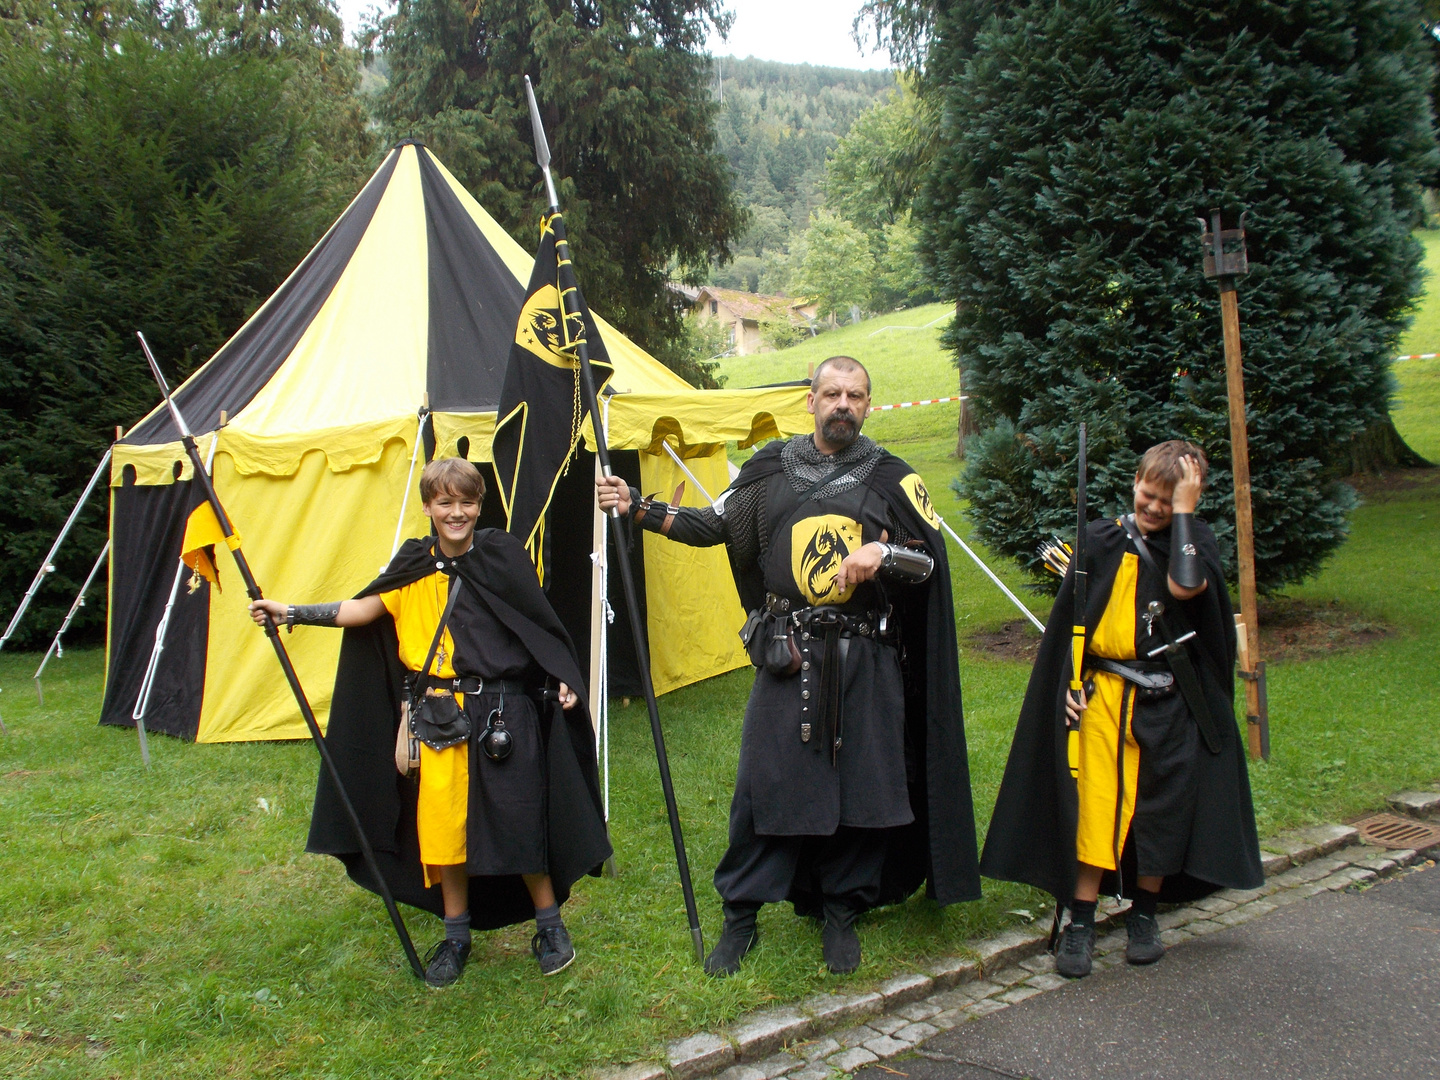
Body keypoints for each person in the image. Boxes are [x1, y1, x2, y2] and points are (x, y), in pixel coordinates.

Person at [597, 356, 980, 976]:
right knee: (764, 786)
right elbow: (713, 525)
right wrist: (638, 508)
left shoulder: (892, 478)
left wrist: (882, 552)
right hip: (790, 655)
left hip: (867, 660)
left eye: (855, 396)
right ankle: (741, 917)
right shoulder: (770, 469)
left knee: (861, 791)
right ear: (810, 400)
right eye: (832, 393)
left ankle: (840, 914)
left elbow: (928, 563)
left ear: (868, 404)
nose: (843, 405)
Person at [250, 458, 611, 987]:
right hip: (439, 717)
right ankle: (456, 934)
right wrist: (292, 612)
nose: (456, 513)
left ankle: (550, 926)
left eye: (466, 502)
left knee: (520, 823)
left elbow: (537, 624)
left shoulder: (503, 555)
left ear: (478, 506)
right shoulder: (412, 564)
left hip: (502, 715)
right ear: (428, 508)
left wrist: (561, 677)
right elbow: (361, 609)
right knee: (443, 834)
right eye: (445, 503)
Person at [980, 440, 1263, 979]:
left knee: (1162, 808)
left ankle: (1145, 915)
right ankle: (1082, 921)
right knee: (1097, 806)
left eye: (1168, 500)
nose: (1153, 507)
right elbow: (1070, 628)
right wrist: (1068, 681)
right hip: (1105, 697)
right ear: (1134, 481)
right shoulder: (1101, 540)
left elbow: (1185, 585)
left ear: (1190, 500)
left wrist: (1185, 512)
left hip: (1173, 700)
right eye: (1148, 494)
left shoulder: (1196, 540)